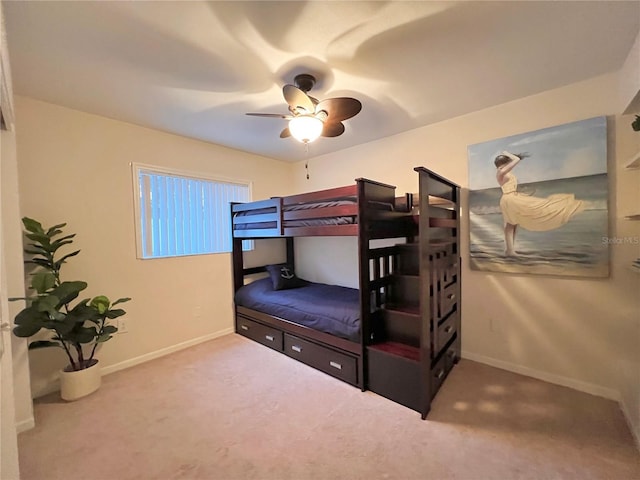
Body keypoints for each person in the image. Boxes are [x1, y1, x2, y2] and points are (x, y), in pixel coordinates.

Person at [494, 150, 585, 256]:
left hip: (512, 197)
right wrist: (507, 153)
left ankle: (509, 250)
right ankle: (509, 250)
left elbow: (510, 184)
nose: (510, 164)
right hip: (509, 199)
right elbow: (517, 159)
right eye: (507, 162)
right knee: (510, 224)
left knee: (513, 224)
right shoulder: (502, 171)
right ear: (503, 163)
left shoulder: (504, 172)